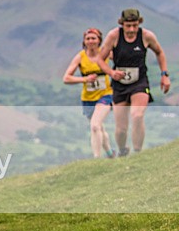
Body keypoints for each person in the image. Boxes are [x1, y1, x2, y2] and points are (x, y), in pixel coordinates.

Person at [94, 9, 170, 155]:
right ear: (122, 24)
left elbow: (160, 52)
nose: (131, 30)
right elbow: (99, 59)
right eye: (128, 26)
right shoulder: (113, 36)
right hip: (119, 85)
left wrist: (164, 74)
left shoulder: (147, 36)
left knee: (137, 115)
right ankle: (123, 150)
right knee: (121, 129)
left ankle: (138, 153)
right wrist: (111, 72)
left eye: (135, 25)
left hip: (139, 82)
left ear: (139, 23)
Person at [62, 28, 116, 158]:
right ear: (84, 41)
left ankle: (96, 159)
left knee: (95, 126)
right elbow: (66, 78)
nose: (91, 41)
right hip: (88, 98)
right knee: (99, 128)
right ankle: (110, 154)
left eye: (93, 38)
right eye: (88, 39)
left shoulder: (106, 53)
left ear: (99, 41)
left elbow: (123, 62)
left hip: (105, 95)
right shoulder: (80, 57)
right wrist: (85, 79)